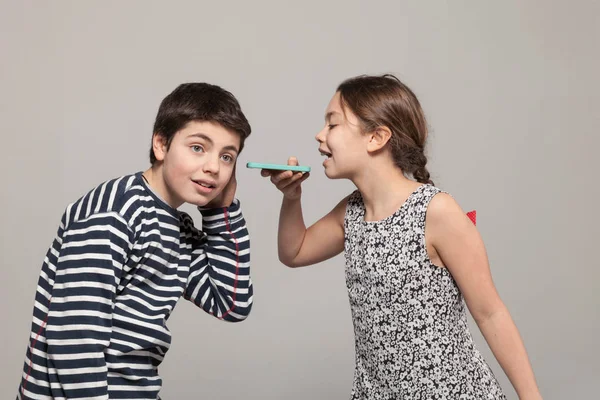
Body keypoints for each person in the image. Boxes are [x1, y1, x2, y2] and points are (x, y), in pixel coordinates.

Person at [262, 74, 542, 399]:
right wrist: (292, 197)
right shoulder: (351, 212)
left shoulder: (436, 211)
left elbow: (490, 312)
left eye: (333, 124)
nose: (319, 134)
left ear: (377, 137)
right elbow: (294, 252)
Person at [17, 82, 254, 399]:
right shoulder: (115, 213)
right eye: (198, 147)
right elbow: (75, 340)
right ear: (161, 144)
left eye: (227, 157)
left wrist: (220, 211)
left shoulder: (178, 229)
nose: (213, 167)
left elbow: (231, 303)